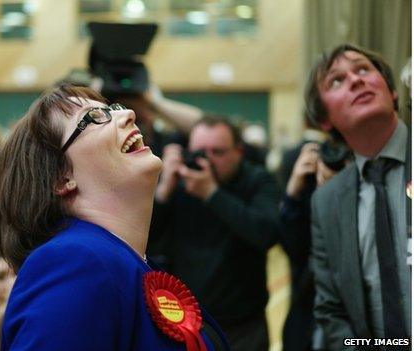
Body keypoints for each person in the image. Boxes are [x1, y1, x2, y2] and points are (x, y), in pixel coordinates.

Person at [0, 84, 229, 350]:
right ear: (61, 177)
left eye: (111, 109)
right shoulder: (71, 263)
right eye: (93, 118)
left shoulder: (122, 260)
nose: (127, 114)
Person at [306, 44, 411, 348]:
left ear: (392, 91)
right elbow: (330, 311)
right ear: (324, 119)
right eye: (336, 80)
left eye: (363, 69)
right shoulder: (326, 202)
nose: (355, 79)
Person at [151, 115, 280, 351]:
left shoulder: (258, 179)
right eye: (200, 152)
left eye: (217, 152)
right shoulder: (180, 182)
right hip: (186, 324)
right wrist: (162, 192)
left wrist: (212, 194)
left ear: (238, 152)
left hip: (243, 326)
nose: (207, 161)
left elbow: (266, 233)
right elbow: (148, 243)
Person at [279, 141, 339, 351]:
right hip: (304, 319)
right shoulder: (306, 192)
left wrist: (340, 193)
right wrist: (292, 194)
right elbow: (293, 247)